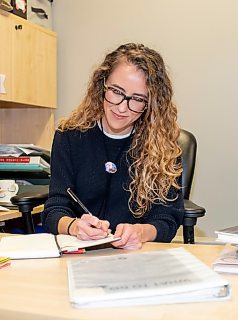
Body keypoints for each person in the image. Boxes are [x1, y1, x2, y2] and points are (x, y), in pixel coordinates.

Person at [42, 43, 184, 250]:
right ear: (102, 85)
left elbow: (168, 220)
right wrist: (74, 226)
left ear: (150, 104)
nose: (122, 107)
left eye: (137, 99)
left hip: (137, 255)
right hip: (79, 253)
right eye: (116, 92)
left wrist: (140, 232)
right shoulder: (69, 136)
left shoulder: (165, 147)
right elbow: (54, 209)